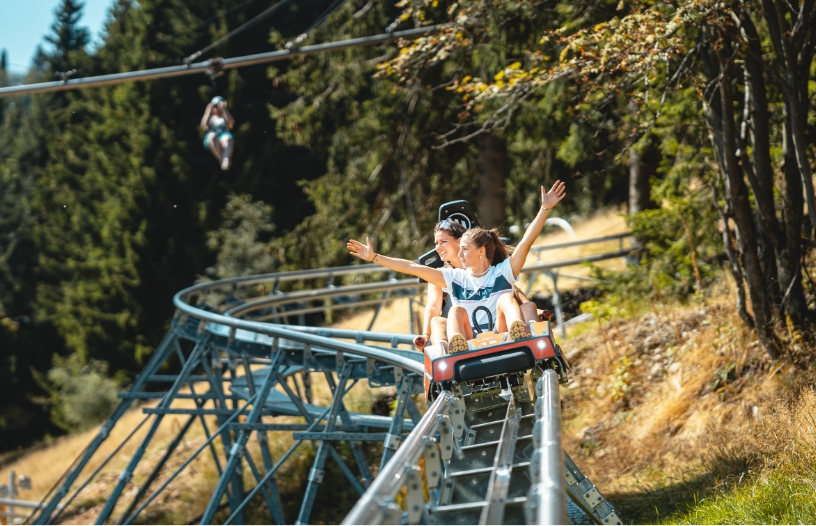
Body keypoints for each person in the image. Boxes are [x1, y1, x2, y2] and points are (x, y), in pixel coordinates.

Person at [349, 180, 567, 353]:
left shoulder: (503, 271)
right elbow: (412, 267)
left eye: (464, 249)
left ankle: (519, 333)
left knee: (506, 299)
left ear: (481, 251)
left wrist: (544, 209)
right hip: (472, 341)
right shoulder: (454, 278)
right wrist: (375, 257)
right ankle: (456, 345)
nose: (459, 254)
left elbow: (526, 242)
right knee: (456, 310)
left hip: (501, 335)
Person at [414, 220, 541, 351]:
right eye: (436, 243)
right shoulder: (447, 276)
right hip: (466, 329)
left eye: (443, 242)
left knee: (525, 305)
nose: (438, 247)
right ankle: (450, 349)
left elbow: (510, 290)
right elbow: (433, 305)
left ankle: (526, 338)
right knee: (445, 317)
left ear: (460, 241)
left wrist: (532, 309)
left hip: (497, 326)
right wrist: (426, 334)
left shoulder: (496, 270)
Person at [201, 96, 235, 171]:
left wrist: (223, 109)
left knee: (227, 138)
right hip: (212, 139)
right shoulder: (210, 118)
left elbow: (231, 122)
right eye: (215, 106)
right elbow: (204, 125)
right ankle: (224, 160)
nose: (216, 108)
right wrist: (208, 109)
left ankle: (225, 162)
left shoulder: (224, 117)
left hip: (223, 136)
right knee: (213, 136)